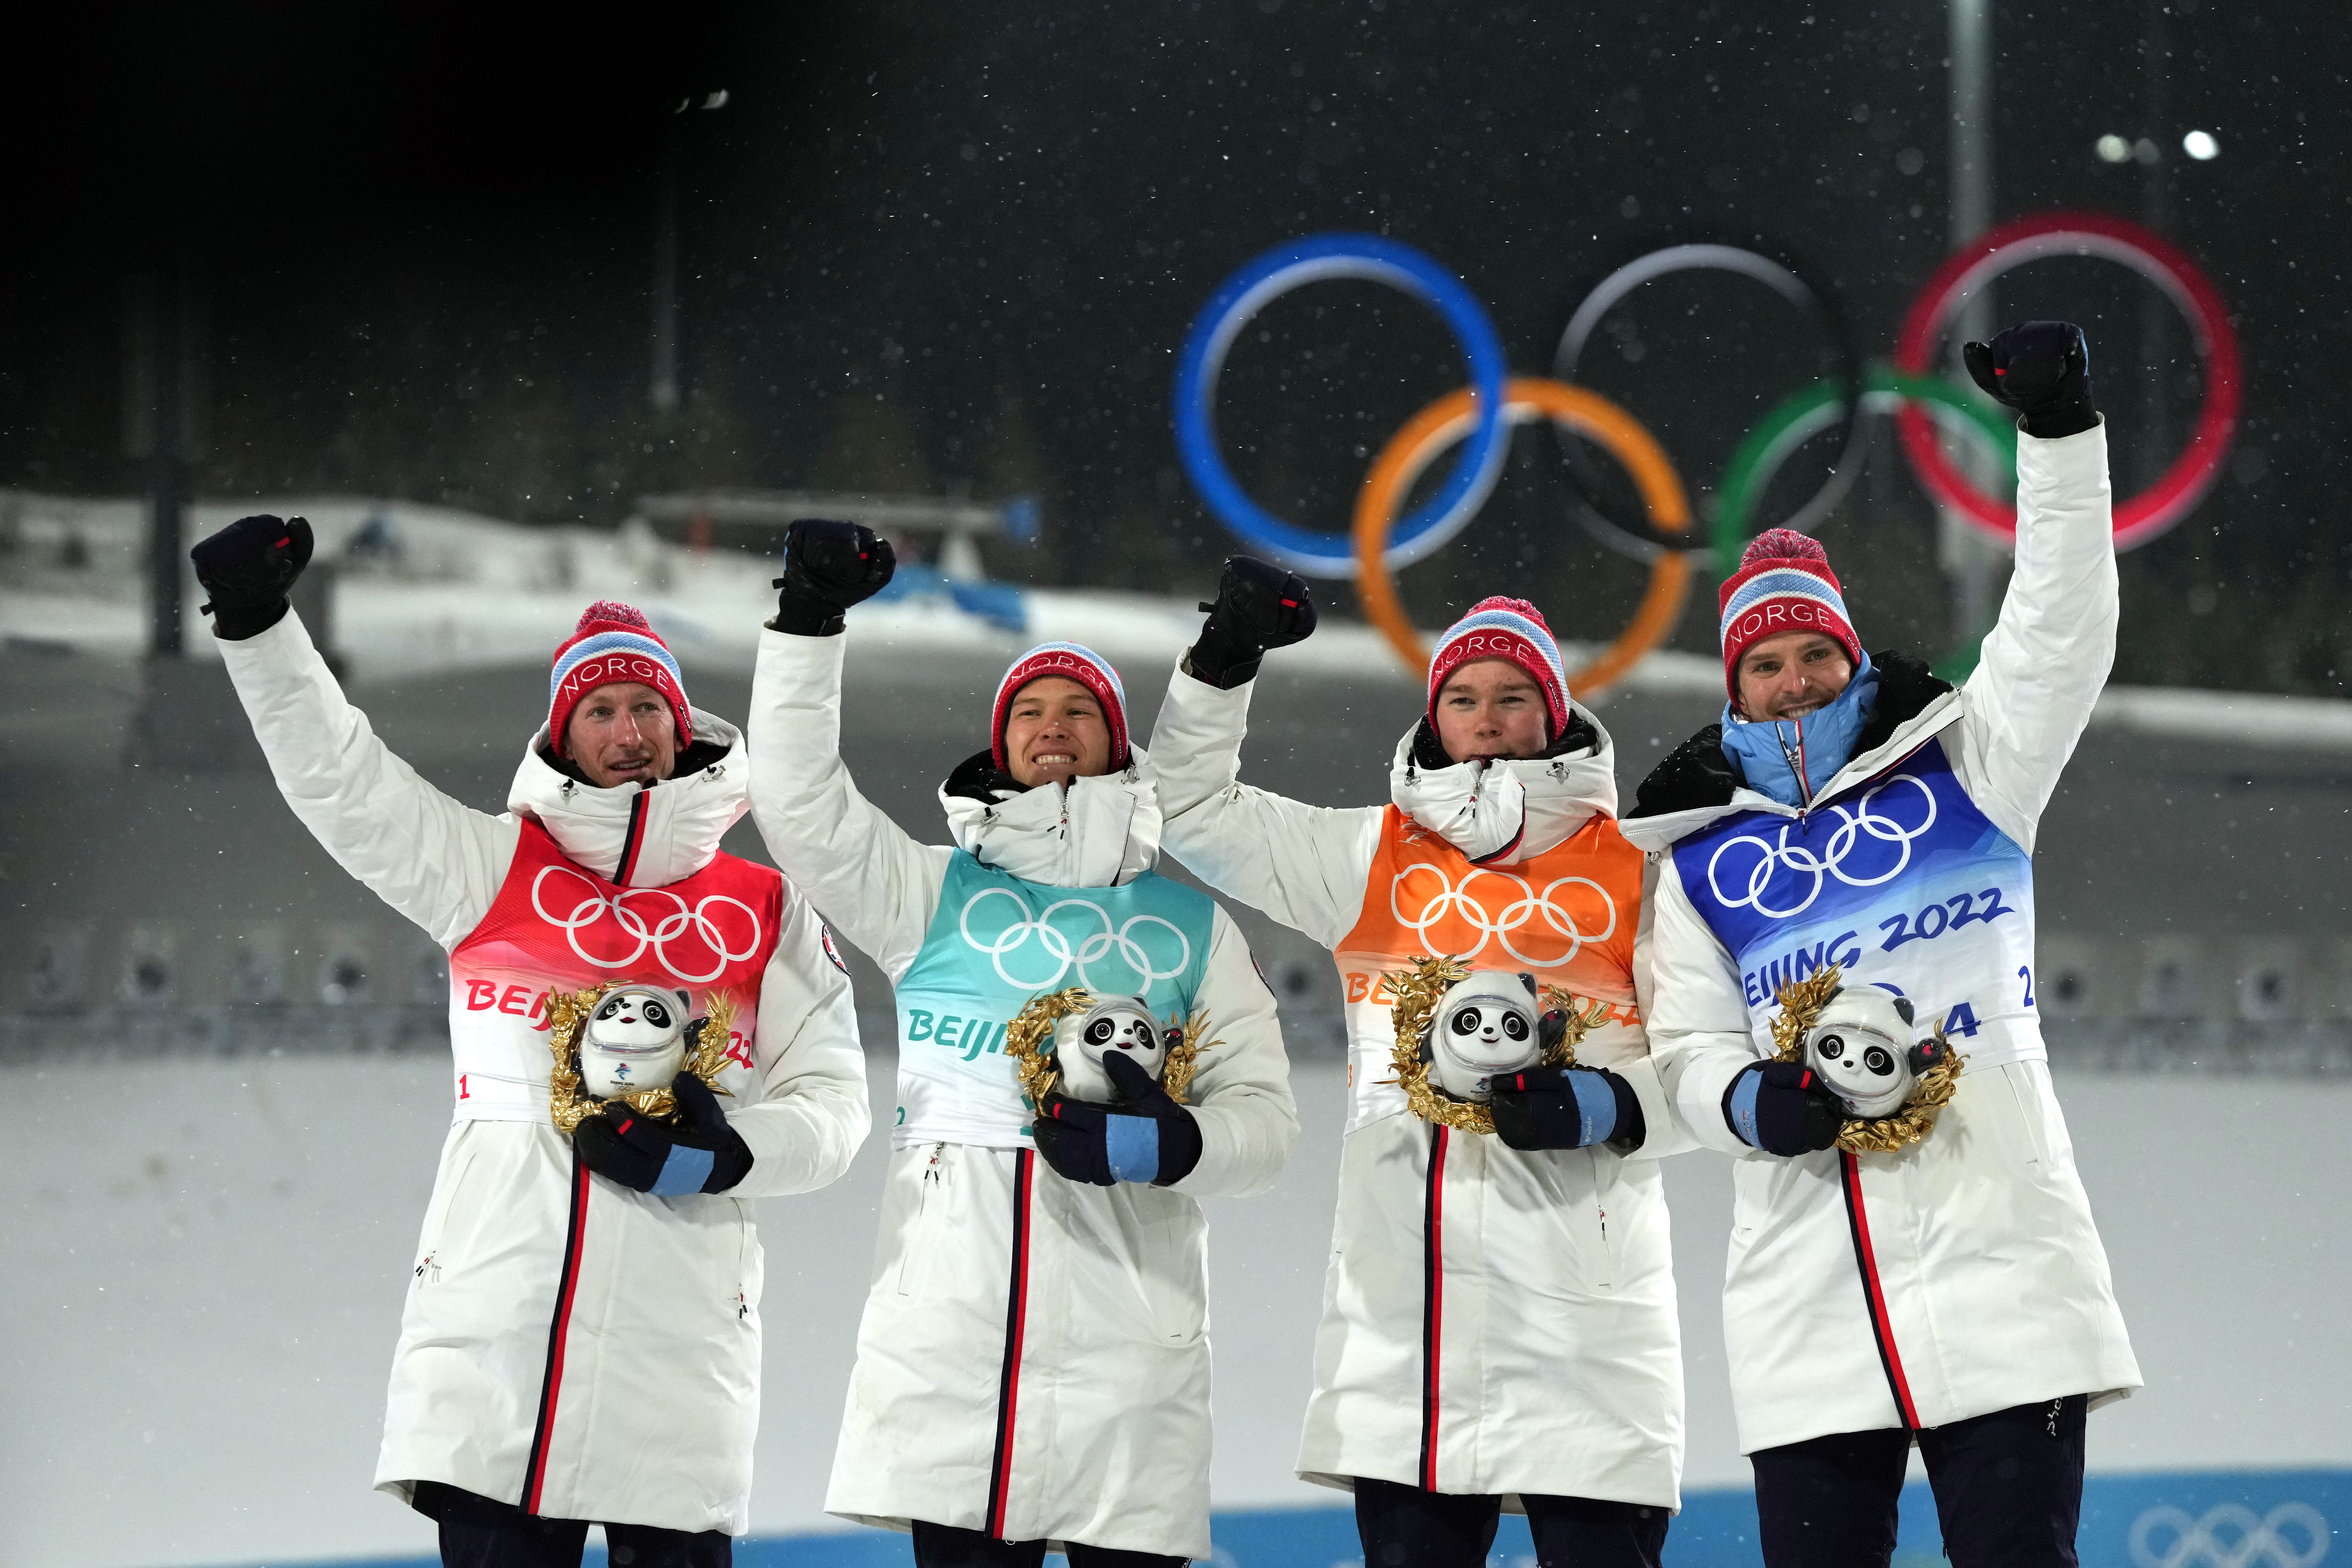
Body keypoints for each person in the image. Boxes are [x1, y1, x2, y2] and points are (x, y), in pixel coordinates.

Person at [190, 516, 870, 1568]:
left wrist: (728, 1154)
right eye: (600, 708)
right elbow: (340, 778)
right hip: (497, 1344)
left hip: (679, 1354)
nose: (629, 727)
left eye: (649, 704)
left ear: (681, 725)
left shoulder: (765, 906)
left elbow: (835, 1109)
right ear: (563, 736)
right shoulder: (487, 870)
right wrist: (258, 626)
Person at [1623, 321, 2141, 1568]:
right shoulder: (1693, 865)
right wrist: (1751, 1100)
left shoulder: (1970, 770)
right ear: (1731, 689)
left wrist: (2060, 436)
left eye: (1815, 655)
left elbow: (2060, 632)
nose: (1793, 681)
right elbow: (1683, 1051)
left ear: (1851, 663)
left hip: (2004, 1266)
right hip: (1807, 1301)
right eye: (1767, 664)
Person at [744, 521, 1298, 1568]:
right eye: (1030, 712)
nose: (1054, 726)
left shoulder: (1188, 926)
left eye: (1080, 709)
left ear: (1116, 745)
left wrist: (1172, 1147)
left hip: (1132, 1362)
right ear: (999, 746)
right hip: (955, 1355)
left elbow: (1266, 1127)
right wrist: (806, 626)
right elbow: (799, 802)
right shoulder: (925, 895)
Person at [1147, 578, 1682, 1568]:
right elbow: (1182, 806)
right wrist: (1222, 663)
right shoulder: (1369, 852)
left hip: (1585, 1311)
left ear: (1556, 713)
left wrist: (1611, 1103)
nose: (1487, 722)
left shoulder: (1639, 868)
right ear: (1433, 717)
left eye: (1513, 697)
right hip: (1404, 1321)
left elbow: (1705, 1080)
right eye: (1463, 699)